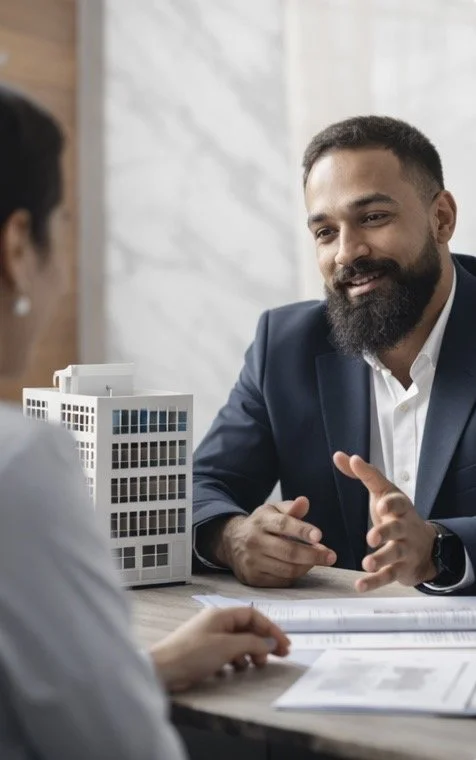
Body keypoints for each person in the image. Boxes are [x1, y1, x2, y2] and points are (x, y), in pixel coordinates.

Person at [0, 85, 290, 760]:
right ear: (19, 246)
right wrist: (233, 533)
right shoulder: (20, 464)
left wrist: (141, 671)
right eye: (64, 226)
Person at [193, 115, 476, 597]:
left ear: (441, 219)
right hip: (333, 653)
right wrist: (232, 537)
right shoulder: (283, 346)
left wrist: (440, 548)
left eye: (372, 217)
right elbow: (198, 487)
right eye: (325, 232)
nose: (348, 252)